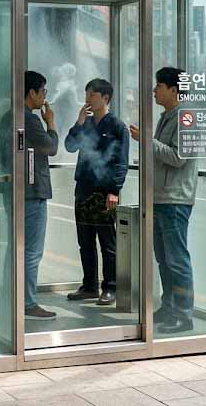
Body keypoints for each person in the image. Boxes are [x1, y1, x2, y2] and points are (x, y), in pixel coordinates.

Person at [131, 67, 197, 334]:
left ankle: (183, 315)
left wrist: (146, 141)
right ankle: (168, 308)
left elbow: (178, 158)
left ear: (173, 89)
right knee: (163, 258)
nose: (154, 91)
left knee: (177, 259)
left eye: (159, 86)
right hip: (159, 197)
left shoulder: (187, 117)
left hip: (175, 199)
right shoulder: (167, 117)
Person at [64, 78, 129, 306]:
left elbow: (122, 162)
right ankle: (89, 285)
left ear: (105, 98)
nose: (87, 99)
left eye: (92, 95)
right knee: (85, 242)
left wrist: (114, 190)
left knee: (107, 243)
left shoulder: (117, 126)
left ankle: (110, 287)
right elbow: (70, 146)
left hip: (104, 192)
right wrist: (79, 123)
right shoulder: (87, 124)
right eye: (86, 95)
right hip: (83, 188)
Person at [6, 71, 60, 320]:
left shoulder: (9, 116)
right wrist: (51, 123)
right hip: (32, 192)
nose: (44, 97)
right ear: (32, 93)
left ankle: (11, 297)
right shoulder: (29, 120)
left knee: (14, 248)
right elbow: (50, 147)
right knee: (30, 251)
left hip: (14, 191)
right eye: (43, 92)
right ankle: (27, 302)